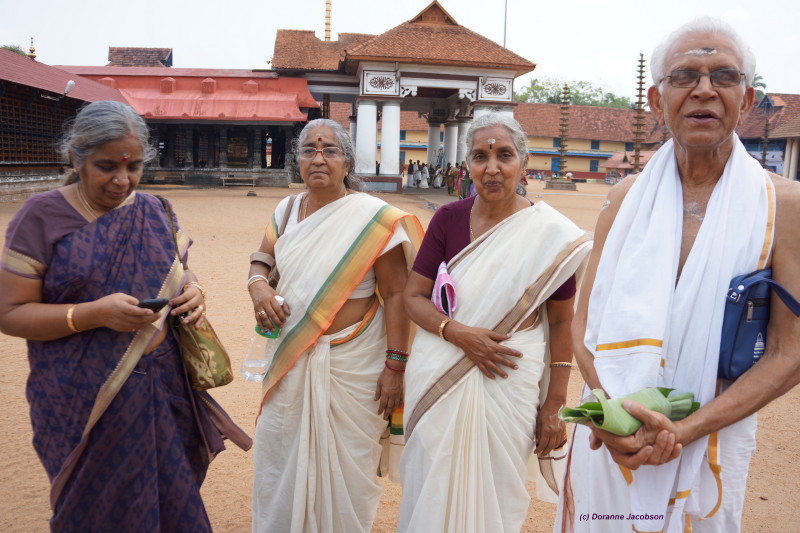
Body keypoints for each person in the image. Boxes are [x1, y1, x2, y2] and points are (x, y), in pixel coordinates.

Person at [555, 18, 800, 533]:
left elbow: (789, 352)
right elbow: (583, 330)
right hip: (612, 438)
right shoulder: (624, 201)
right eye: (686, 75)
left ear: (747, 98)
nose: (704, 90)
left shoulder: (784, 206)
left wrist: (684, 430)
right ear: (656, 99)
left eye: (724, 76)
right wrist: (615, 419)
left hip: (711, 437)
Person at [0, 100, 250, 532]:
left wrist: (194, 291)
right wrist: (92, 315)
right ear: (75, 158)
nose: (123, 180)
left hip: (163, 383)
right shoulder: (40, 217)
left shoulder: (153, 210)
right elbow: (9, 312)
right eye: (106, 167)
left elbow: (177, 270)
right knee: (100, 513)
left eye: (133, 166)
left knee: (173, 506)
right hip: (85, 397)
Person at [398, 113, 592, 532]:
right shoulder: (448, 219)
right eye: (480, 156)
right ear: (467, 164)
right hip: (440, 367)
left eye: (504, 155)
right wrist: (460, 333)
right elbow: (412, 297)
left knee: (496, 488)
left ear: (524, 162)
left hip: (510, 379)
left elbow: (561, 323)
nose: (492, 168)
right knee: (431, 474)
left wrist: (555, 405)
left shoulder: (550, 235)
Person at [248, 118, 423, 533]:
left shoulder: (373, 220)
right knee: (278, 452)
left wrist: (395, 367)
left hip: (354, 365)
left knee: (346, 468)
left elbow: (397, 294)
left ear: (348, 162)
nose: (319, 159)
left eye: (330, 151)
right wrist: (256, 286)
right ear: (297, 160)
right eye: (309, 150)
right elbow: (262, 259)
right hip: (290, 356)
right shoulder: (286, 210)